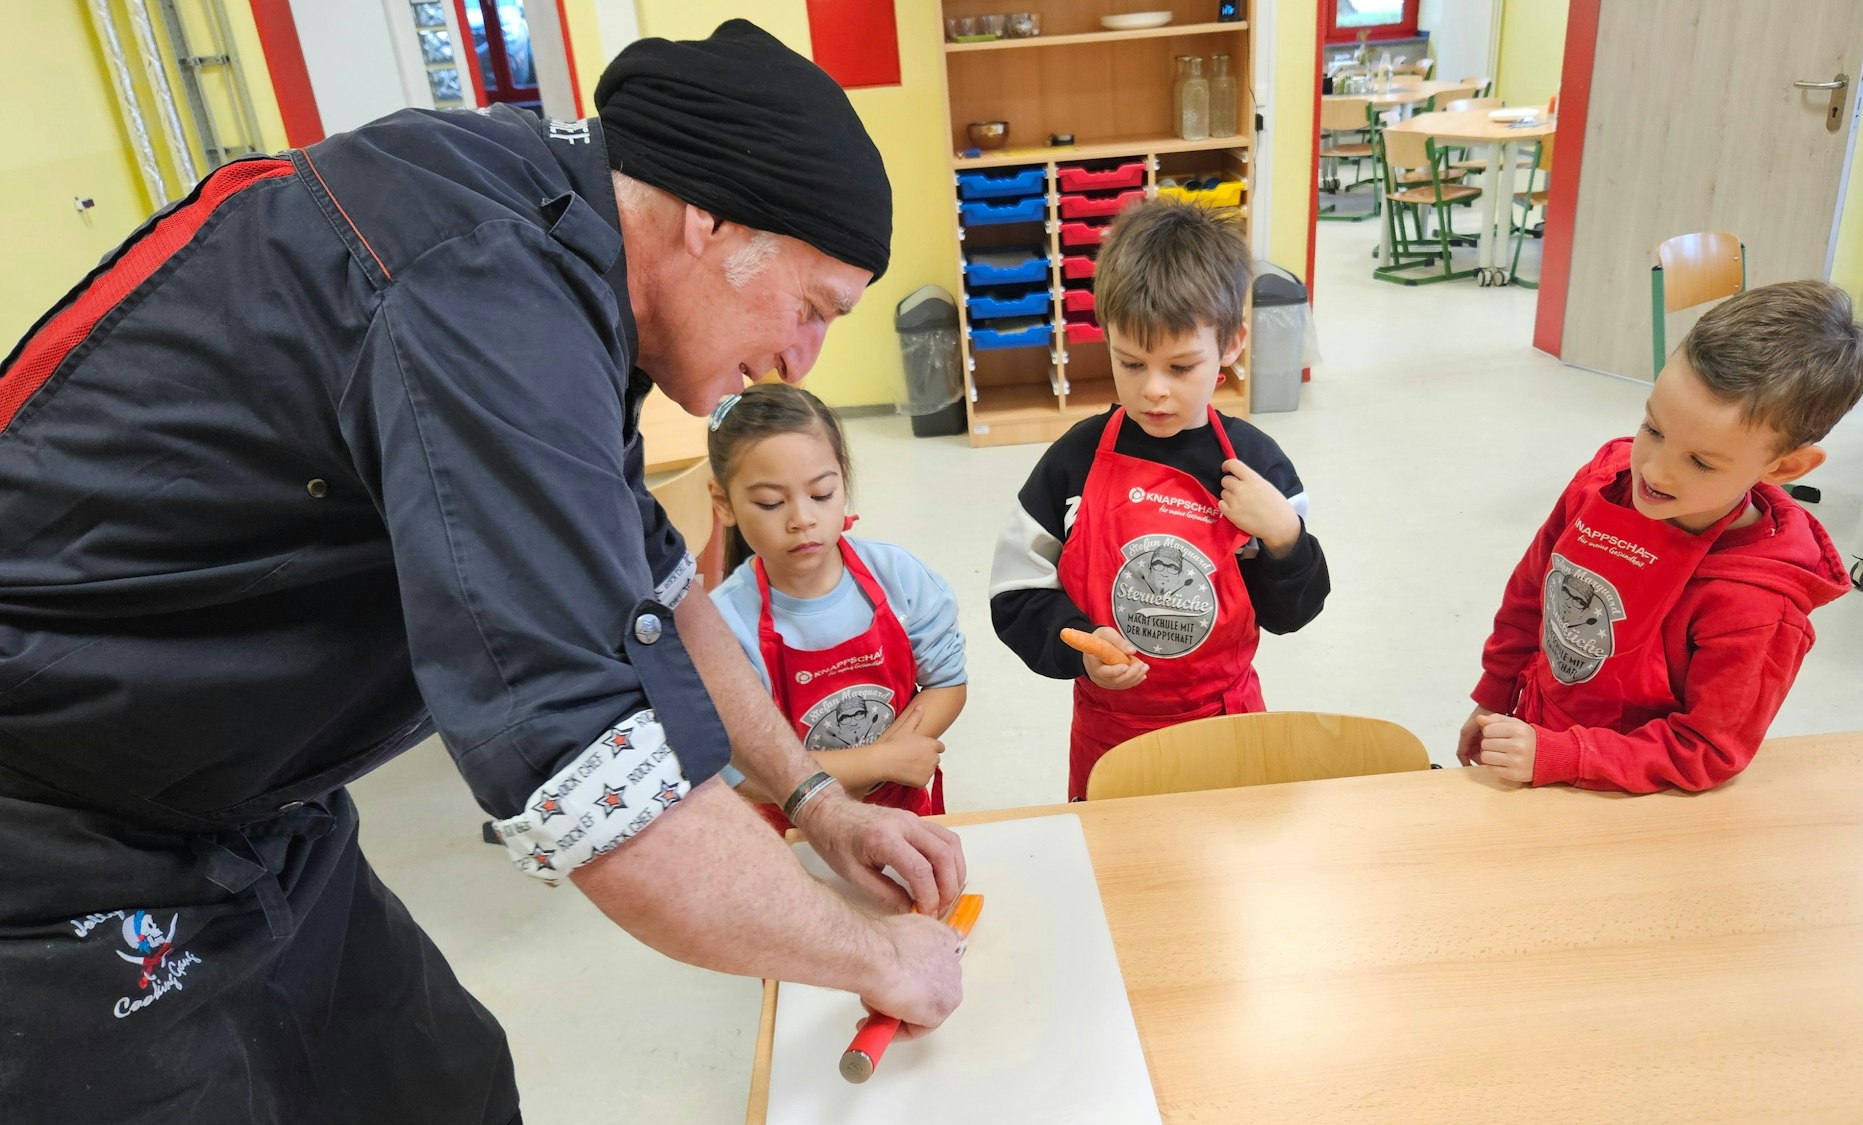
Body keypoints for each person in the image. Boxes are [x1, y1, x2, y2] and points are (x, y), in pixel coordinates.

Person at [0, 22, 966, 1122]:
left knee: (442, 1087)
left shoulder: (556, 247)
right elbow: (604, 799)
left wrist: (811, 800)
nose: (802, 362)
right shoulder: (479, 289)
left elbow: (659, 593)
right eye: (811, 309)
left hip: (248, 796)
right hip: (54, 821)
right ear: (711, 220)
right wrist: (874, 959)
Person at [1458, 280, 1863, 793]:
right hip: (1535, 741)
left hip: (1629, 800)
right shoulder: (1604, 483)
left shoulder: (1758, 608)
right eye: (1653, 429)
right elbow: (1533, 592)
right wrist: (1495, 695)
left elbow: (1709, 751)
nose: (1654, 471)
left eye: (1699, 461)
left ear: (1785, 466)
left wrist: (1566, 755)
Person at [989, 201, 1331, 800]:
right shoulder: (1075, 460)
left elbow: (1291, 614)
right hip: (1112, 732)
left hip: (1227, 724)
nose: (1153, 389)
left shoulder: (1257, 468)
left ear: (1231, 343)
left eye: (1180, 366)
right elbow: (1015, 594)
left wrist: (1284, 538)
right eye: (1130, 362)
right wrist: (1081, 644)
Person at [704, 383, 967, 832]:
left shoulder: (898, 577)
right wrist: (875, 761)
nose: (801, 518)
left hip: (905, 812)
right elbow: (740, 770)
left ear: (843, 479)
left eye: (821, 494)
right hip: (794, 834)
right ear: (724, 502)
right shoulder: (723, 625)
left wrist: (892, 759)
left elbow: (947, 683)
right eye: (771, 502)